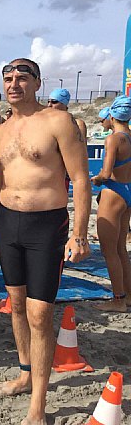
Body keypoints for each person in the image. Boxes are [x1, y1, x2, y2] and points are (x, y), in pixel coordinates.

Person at [0, 58, 91, 425]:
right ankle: (26, 374)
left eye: (22, 78)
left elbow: (79, 178)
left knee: (40, 313)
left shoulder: (58, 122)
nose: (14, 84)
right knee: (15, 304)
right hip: (8, 224)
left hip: (47, 226)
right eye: (8, 79)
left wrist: (78, 233)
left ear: (38, 83)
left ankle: (38, 406)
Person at [91, 96, 131, 312]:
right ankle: (129, 295)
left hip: (114, 193)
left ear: (112, 115)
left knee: (109, 251)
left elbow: (106, 173)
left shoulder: (114, 139)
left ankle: (118, 299)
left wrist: (94, 179)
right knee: (121, 249)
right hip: (128, 190)